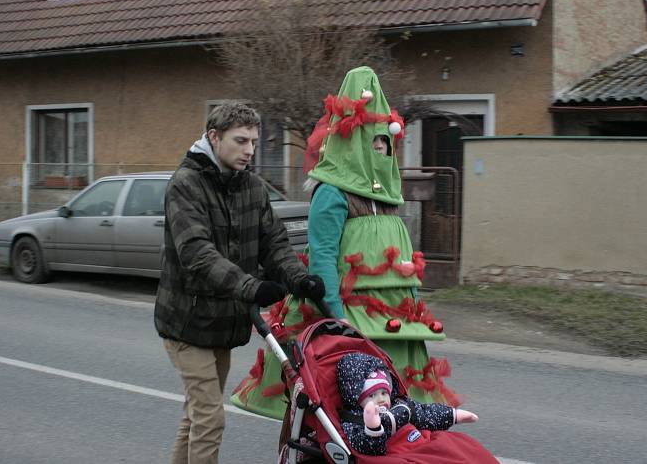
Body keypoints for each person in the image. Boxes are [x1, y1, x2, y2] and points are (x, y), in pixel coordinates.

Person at [231, 67, 459, 420]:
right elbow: (322, 257)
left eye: (386, 143)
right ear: (353, 144)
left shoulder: (386, 197)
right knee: (345, 410)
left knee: (397, 408)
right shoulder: (332, 193)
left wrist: (413, 307)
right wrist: (336, 318)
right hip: (345, 322)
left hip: (394, 327)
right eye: (374, 143)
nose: (382, 151)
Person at [154, 100, 324, 464]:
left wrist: (299, 279)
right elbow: (197, 253)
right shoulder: (185, 185)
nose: (249, 150)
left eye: (254, 142)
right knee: (210, 419)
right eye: (240, 140)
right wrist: (251, 287)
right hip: (187, 322)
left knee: (196, 417)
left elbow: (274, 243)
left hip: (223, 323)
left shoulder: (252, 187)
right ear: (214, 137)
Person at [336, 352, 478, 456]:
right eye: (372, 395)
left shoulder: (398, 404)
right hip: (396, 453)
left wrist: (454, 415)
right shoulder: (353, 420)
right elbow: (366, 448)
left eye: (384, 393)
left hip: (418, 441)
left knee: (460, 446)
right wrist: (373, 428)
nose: (381, 399)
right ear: (357, 398)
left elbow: (424, 413)